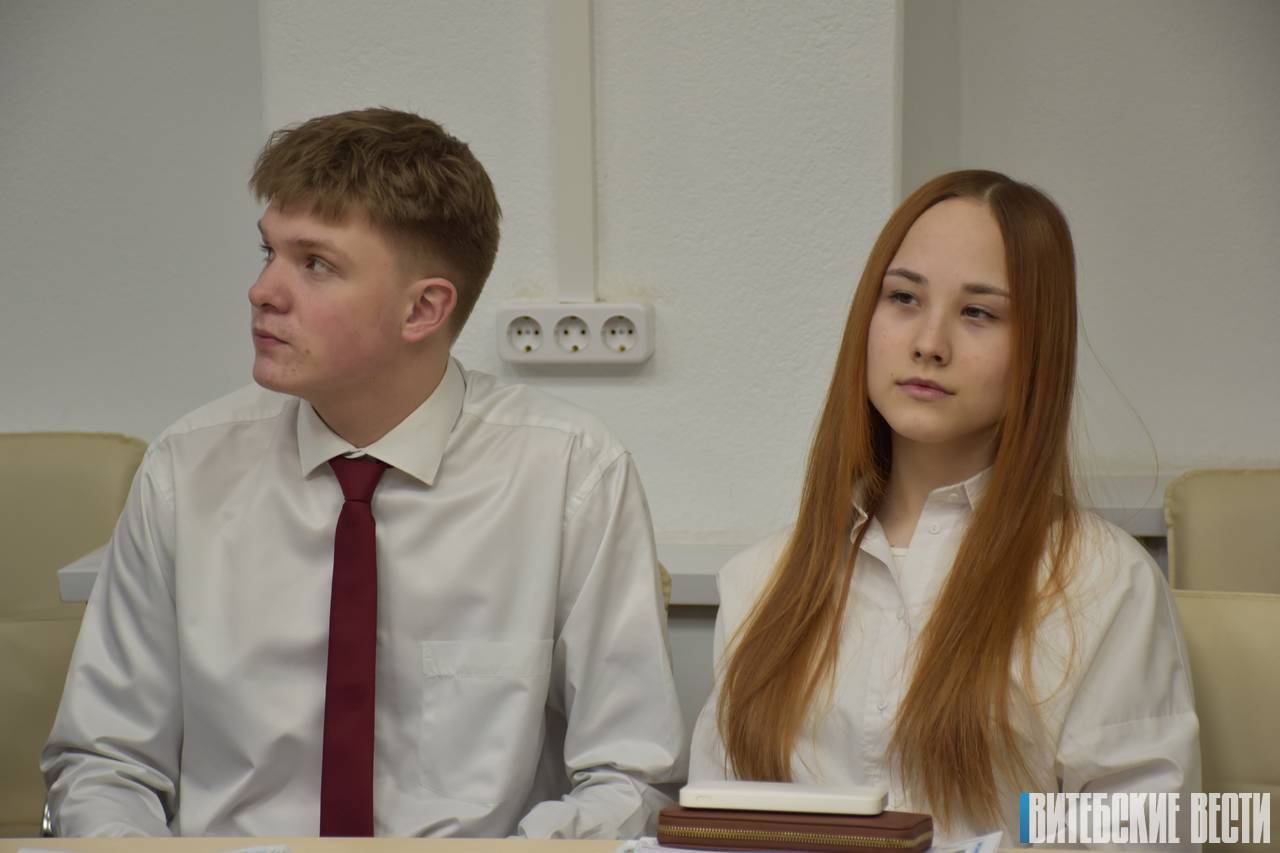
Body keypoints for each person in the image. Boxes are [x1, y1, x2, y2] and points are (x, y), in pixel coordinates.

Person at [43, 107, 686, 838]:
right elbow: (106, 763)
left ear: (423, 309)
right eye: (269, 252)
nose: (263, 291)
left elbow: (631, 776)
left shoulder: (570, 474)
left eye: (315, 264)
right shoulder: (186, 469)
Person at [688, 170, 1199, 845]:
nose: (929, 342)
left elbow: (1144, 832)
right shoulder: (761, 580)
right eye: (903, 298)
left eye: (978, 312)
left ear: (1039, 350)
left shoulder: (1103, 583)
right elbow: (712, 825)